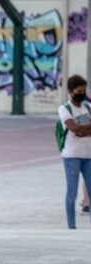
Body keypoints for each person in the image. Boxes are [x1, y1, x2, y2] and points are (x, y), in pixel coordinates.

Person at [58, 74, 91, 229]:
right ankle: (71, 226)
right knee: (72, 192)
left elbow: (78, 129)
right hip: (72, 156)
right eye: (79, 90)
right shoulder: (64, 109)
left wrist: (80, 129)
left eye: (84, 90)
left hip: (88, 155)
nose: (82, 93)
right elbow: (73, 128)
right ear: (71, 91)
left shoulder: (88, 107)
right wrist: (85, 128)